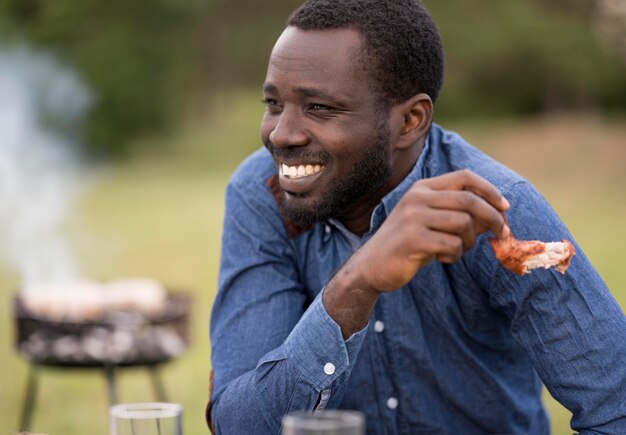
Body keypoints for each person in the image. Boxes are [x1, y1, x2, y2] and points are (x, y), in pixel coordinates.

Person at [207, 0, 626, 433]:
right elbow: (238, 425)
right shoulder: (261, 193)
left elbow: (616, 406)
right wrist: (355, 284)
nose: (280, 134)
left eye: (319, 108)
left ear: (410, 120)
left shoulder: (497, 210)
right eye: (274, 103)